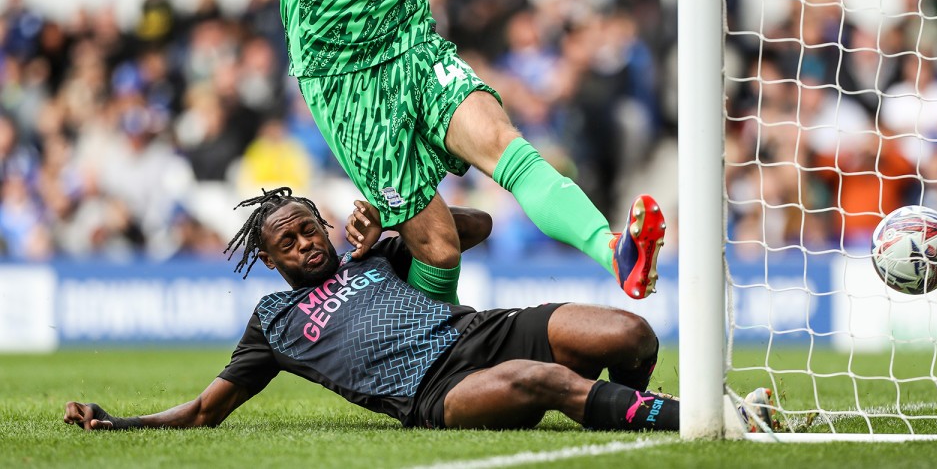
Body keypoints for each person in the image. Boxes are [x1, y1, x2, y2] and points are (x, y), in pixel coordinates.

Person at [64, 188, 770, 433]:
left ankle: (629, 408)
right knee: (544, 382)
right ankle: (714, 419)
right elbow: (203, 412)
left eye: (311, 227)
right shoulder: (274, 323)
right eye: (289, 241)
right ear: (271, 260)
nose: (307, 243)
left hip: (484, 329)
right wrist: (118, 422)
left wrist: (399, 225)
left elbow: (480, 230)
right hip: (437, 391)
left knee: (631, 329)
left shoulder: (379, 254)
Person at [206, 0, 664, 304]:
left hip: (412, 44)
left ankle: (614, 253)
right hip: (343, 80)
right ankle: (431, 362)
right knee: (440, 248)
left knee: (502, 140)